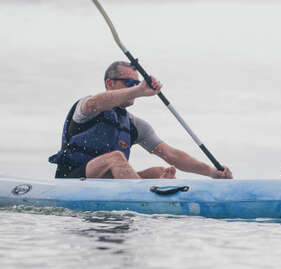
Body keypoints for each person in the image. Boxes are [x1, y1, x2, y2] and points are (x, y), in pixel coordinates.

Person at [49, 61, 232, 180]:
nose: (135, 87)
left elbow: (173, 155)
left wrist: (211, 172)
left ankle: (156, 203)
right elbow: (99, 101)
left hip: (107, 185)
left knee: (160, 172)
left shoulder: (135, 125)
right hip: (71, 179)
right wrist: (139, 91)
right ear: (109, 84)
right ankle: (141, 198)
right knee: (116, 158)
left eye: (137, 83)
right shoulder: (87, 107)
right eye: (129, 83)